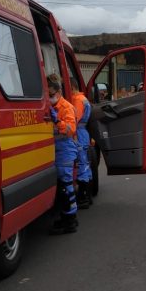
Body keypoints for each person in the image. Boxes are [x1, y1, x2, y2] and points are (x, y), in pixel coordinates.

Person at [47, 74, 79, 233]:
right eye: (47, 95)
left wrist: (58, 122)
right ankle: (68, 217)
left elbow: (70, 129)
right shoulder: (52, 107)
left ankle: (70, 221)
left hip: (65, 149)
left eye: (51, 95)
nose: (49, 98)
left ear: (59, 92)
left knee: (66, 186)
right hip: (57, 149)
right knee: (62, 186)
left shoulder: (65, 107)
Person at [70, 77, 92, 210]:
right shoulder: (83, 98)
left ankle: (83, 196)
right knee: (85, 165)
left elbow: (74, 119)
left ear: (71, 87)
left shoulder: (77, 100)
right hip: (83, 133)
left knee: (81, 165)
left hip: (79, 133)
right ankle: (87, 195)